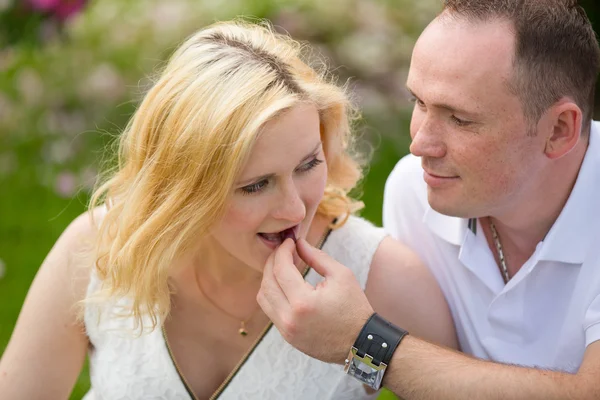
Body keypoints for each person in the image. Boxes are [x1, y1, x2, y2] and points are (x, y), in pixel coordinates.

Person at [0, 20, 457, 400]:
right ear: (185, 188)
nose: (295, 208)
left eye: (308, 164)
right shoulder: (99, 248)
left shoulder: (380, 275)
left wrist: (361, 343)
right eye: (255, 185)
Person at [257, 1, 600, 398]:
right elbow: (421, 383)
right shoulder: (414, 191)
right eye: (419, 102)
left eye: (459, 119)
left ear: (559, 129)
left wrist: (360, 339)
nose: (419, 144)